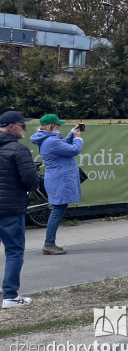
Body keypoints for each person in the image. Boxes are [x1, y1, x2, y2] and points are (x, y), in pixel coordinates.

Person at [0, 110, 39, 308]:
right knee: (14, 251)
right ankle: (10, 296)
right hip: (10, 208)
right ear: (11, 127)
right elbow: (31, 181)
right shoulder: (18, 149)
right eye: (23, 126)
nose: (25, 129)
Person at [30, 114, 82, 255]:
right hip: (59, 179)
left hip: (57, 178)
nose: (59, 125)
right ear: (52, 126)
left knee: (58, 209)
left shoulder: (48, 139)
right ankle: (49, 244)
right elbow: (74, 150)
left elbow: (63, 145)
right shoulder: (51, 141)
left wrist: (72, 132)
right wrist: (78, 138)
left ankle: (49, 243)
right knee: (57, 210)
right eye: (57, 124)